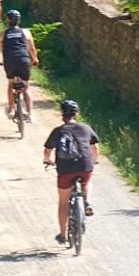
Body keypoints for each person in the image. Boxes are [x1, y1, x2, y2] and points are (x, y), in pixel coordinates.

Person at [43, 100, 100, 245]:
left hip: (65, 169)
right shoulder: (86, 128)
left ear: (62, 115)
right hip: (84, 165)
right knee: (87, 181)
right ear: (77, 114)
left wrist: (48, 161)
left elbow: (47, 151)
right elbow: (95, 149)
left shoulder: (58, 131)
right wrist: (93, 162)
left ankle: (63, 235)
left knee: (63, 202)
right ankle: (87, 202)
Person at [0, 9, 39, 120]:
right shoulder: (26, 32)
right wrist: (35, 59)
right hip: (24, 60)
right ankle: (30, 114)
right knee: (26, 87)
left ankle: (12, 109)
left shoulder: (4, 34)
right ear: (19, 20)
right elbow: (31, 48)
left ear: (8, 20)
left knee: (11, 83)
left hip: (10, 61)